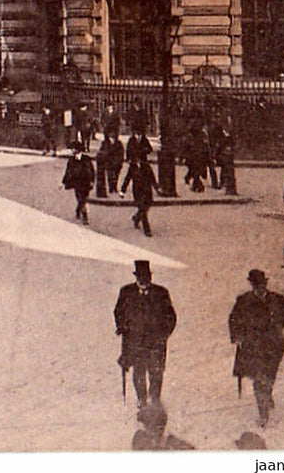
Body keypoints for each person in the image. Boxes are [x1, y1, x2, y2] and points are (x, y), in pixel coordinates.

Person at [229, 269, 284, 427]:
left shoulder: (279, 300)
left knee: (269, 376)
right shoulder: (243, 301)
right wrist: (237, 336)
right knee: (259, 379)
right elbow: (233, 320)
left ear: (266, 283)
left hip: (275, 346)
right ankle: (263, 414)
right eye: (256, 285)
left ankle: (267, 395)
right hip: (253, 347)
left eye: (262, 284)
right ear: (251, 284)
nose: (260, 288)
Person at [114, 260, 176, 406]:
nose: (143, 280)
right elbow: (118, 312)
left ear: (150, 277)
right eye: (140, 277)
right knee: (138, 372)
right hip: (135, 342)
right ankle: (141, 399)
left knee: (156, 372)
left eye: (146, 277)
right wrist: (122, 327)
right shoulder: (126, 292)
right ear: (136, 277)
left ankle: (155, 398)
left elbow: (171, 317)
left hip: (156, 342)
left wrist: (163, 335)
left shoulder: (161, 293)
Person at [121, 153, 157, 238]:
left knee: (146, 207)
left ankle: (136, 217)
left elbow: (152, 178)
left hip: (147, 191)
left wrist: (156, 187)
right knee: (143, 209)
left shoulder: (147, 167)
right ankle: (147, 230)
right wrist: (123, 190)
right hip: (138, 192)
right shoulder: (132, 168)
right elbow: (127, 179)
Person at [61, 148, 95, 224]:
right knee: (81, 199)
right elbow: (68, 171)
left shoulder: (86, 159)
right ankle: (85, 217)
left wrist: (92, 181)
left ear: (78, 149)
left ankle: (78, 210)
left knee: (83, 199)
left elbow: (92, 171)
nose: (72, 150)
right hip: (77, 183)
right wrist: (63, 182)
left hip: (86, 182)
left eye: (73, 149)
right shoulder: (71, 160)